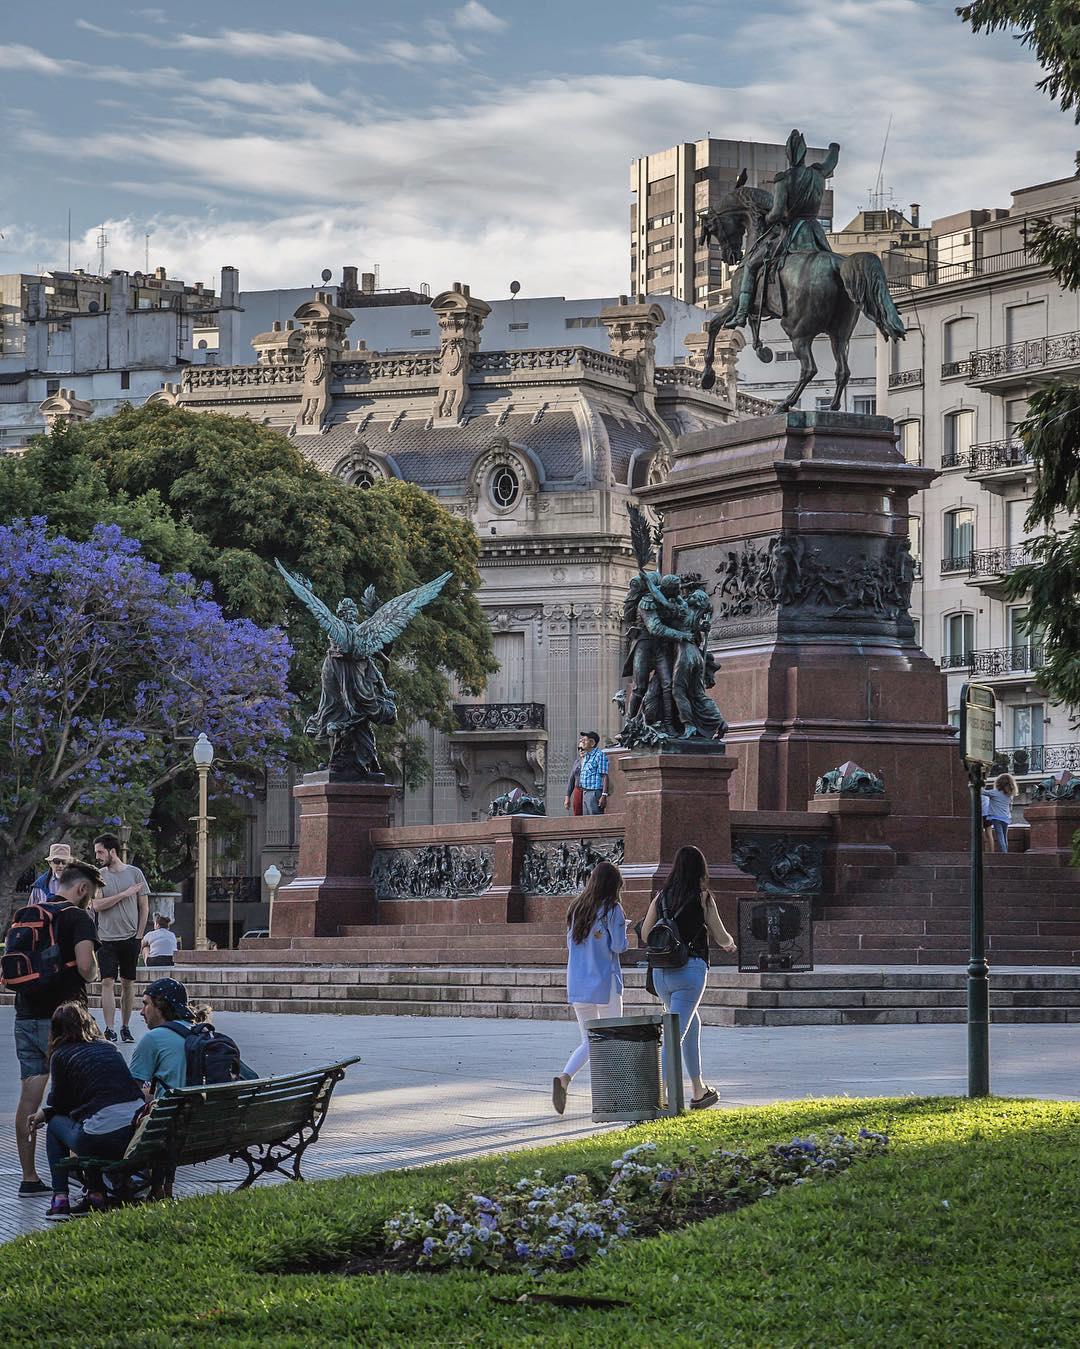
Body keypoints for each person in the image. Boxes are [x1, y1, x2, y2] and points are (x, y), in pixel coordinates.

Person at [11, 860, 101, 1198]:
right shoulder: (78, 917)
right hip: (65, 1019)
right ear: (81, 889)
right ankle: (80, 1171)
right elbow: (85, 967)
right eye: (90, 895)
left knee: (29, 1098)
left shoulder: (29, 913)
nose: (90, 901)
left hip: (26, 1015)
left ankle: (29, 1177)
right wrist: (94, 967)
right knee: (80, 1095)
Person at [640, 845, 736, 1110]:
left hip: (661, 975)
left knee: (691, 1024)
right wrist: (729, 944)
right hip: (689, 972)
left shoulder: (661, 897)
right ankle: (658, 1099)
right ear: (700, 870)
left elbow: (646, 934)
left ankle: (698, 1090)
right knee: (674, 1036)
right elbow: (720, 934)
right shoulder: (702, 897)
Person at [28, 1001, 143, 1220]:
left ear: (56, 1030)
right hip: (133, 1134)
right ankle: (95, 1195)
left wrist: (45, 1113)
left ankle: (60, 1199)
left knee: (55, 1125)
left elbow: (58, 1103)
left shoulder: (61, 1056)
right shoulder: (109, 1047)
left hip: (102, 1138)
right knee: (90, 1123)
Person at [552, 861, 629, 1115]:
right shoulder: (612, 909)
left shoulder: (576, 908)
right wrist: (625, 928)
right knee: (612, 1039)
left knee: (589, 1040)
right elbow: (618, 947)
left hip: (578, 984)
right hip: (604, 983)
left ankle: (565, 1078)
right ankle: (614, 1095)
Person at [92, 832, 150, 1043]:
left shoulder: (135, 873)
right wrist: (125, 894)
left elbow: (144, 906)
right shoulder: (99, 876)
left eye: (100, 851)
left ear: (112, 851)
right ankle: (109, 1028)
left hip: (130, 938)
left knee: (128, 983)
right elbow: (96, 905)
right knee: (106, 981)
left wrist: (140, 934)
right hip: (106, 938)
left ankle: (125, 1027)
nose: (97, 856)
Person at [130, 977, 210, 1096]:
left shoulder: (153, 1038)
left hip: (173, 1112)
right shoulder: (202, 1032)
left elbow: (129, 1091)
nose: (141, 1012)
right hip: (206, 1109)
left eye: (146, 1004)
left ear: (160, 1006)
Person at [983, 773, 1018, 853]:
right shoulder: (1009, 794)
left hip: (996, 818)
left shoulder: (994, 792)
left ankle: (1004, 854)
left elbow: (982, 792)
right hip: (1006, 818)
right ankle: (1006, 852)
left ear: (999, 783)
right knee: (1004, 837)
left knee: (1000, 836)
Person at [578, 731, 610, 815]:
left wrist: (604, 795)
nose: (582, 742)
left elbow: (604, 776)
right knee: (587, 820)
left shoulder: (599, 755)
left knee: (595, 818)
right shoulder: (586, 756)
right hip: (585, 791)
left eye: (584, 740)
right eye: (581, 740)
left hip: (595, 792)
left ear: (592, 743)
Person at [564, 749, 584, 816]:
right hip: (578, 789)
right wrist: (567, 797)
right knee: (577, 812)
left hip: (588, 790)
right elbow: (571, 780)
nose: (581, 750)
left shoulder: (591, 761)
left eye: (583, 748)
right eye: (579, 748)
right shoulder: (577, 762)